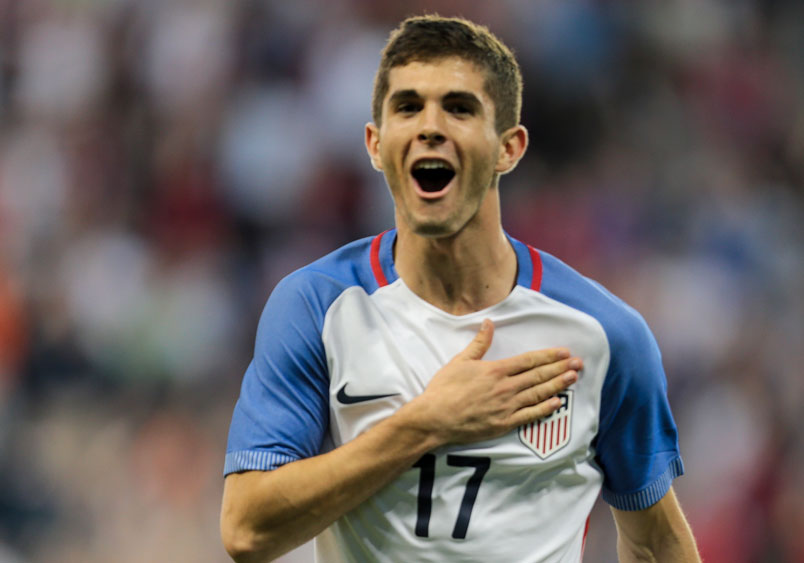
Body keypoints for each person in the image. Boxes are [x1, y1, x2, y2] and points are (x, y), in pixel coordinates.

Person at [220, 15, 701, 563]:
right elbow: (247, 530)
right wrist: (426, 423)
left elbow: (655, 541)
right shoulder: (318, 306)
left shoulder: (604, 335)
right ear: (376, 145)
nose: (429, 126)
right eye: (407, 107)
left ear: (509, 149)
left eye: (459, 107)